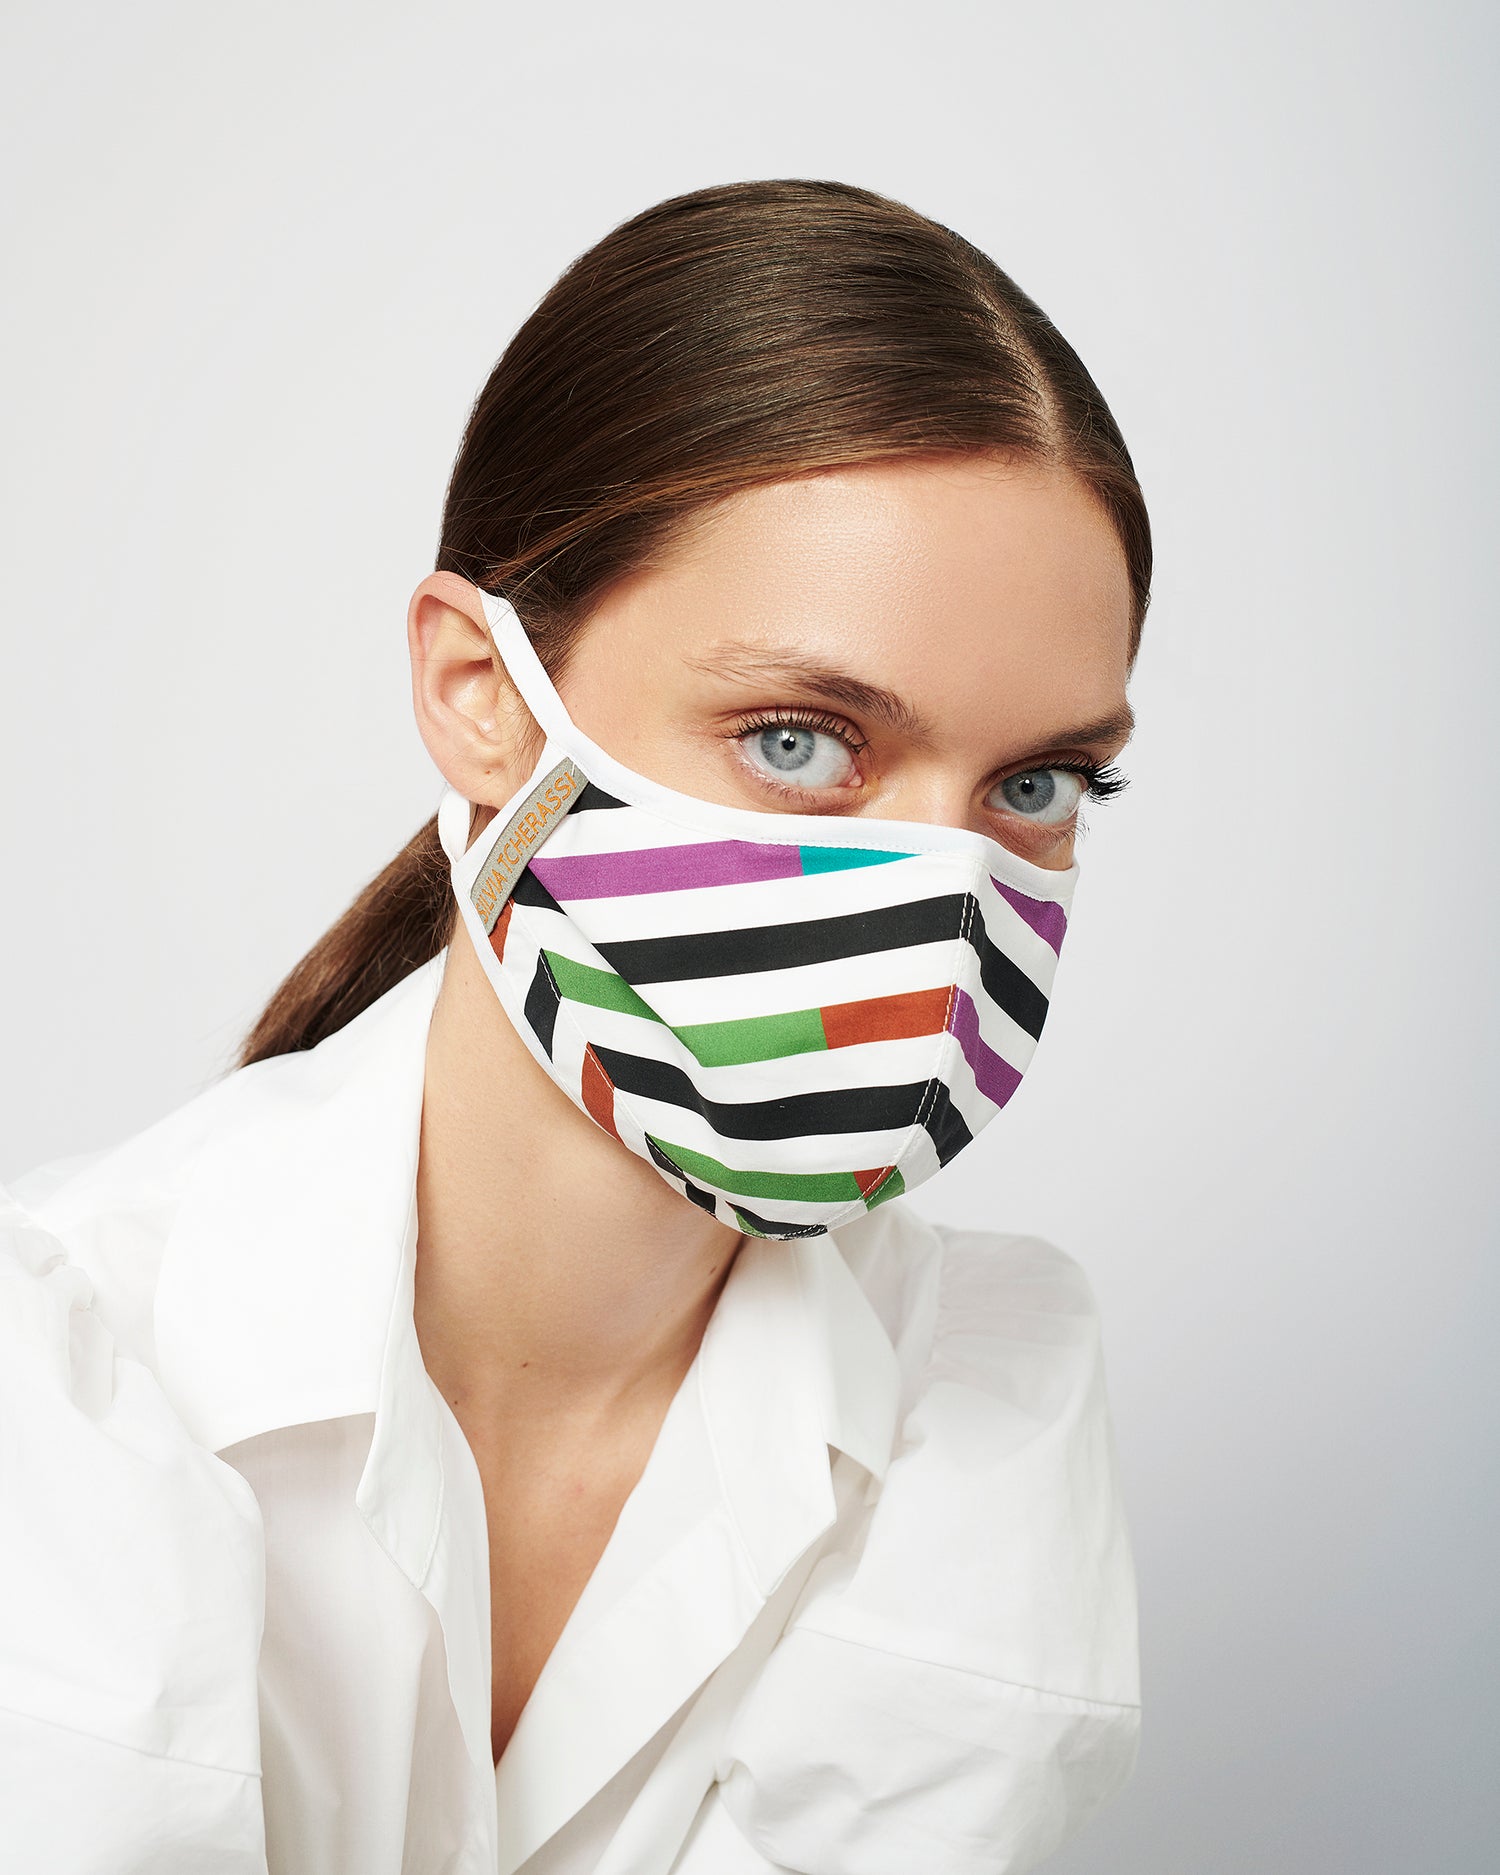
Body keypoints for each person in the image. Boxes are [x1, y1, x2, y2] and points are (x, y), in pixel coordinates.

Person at [0, 178, 1148, 1874]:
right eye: (798, 739)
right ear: (482, 698)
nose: (936, 887)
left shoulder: (973, 1389)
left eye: (1037, 783)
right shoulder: (62, 1367)